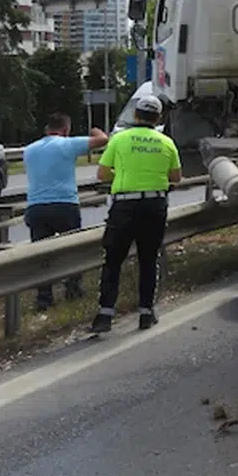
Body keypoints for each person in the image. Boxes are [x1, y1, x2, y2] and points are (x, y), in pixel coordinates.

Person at [90, 93, 182, 333]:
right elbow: (176, 178)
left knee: (113, 260)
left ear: (136, 114)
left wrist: (121, 175)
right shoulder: (166, 142)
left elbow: (102, 174)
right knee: (148, 259)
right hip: (154, 205)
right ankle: (146, 313)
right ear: (158, 117)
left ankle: (105, 315)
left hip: (124, 206)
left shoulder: (119, 140)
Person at [23, 113, 109, 311]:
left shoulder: (29, 150)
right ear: (66, 130)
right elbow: (103, 139)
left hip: (36, 207)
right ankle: (73, 289)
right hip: (64, 205)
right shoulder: (68, 144)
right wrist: (94, 129)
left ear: (46, 129)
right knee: (72, 249)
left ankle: (44, 298)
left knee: (42, 254)